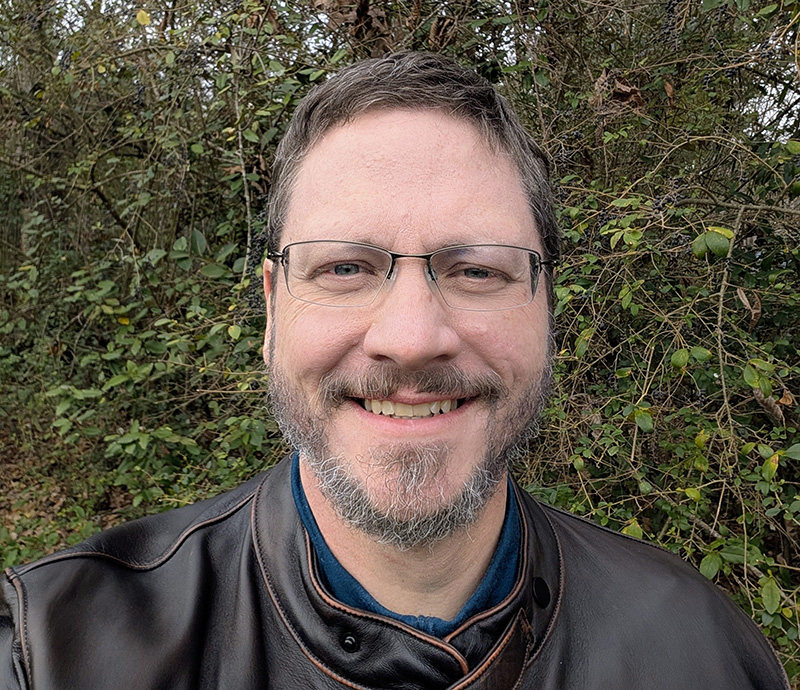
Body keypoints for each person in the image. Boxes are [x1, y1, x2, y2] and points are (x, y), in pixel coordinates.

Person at [0, 52, 789, 690]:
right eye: (345, 268)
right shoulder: (50, 650)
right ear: (272, 311)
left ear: (547, 308)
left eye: (477, 270)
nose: (411, 339)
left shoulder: (697, 646)